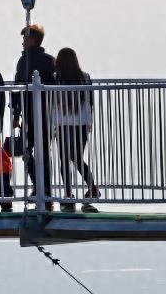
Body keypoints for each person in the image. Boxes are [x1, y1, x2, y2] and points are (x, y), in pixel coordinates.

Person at [53, 47, 100, 212]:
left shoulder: (56, 78)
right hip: (81, 122)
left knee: (65, 159)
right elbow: (90, 101)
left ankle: (68, 194)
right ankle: (92, 187)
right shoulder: (85, 77)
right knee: (76, 157)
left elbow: (52, 100)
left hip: (62, 122)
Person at [12, 23, 55, 206]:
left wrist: (16, 113)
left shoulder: (25, 61)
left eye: (24, 38)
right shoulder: (49, 60)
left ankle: (39, 186)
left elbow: (17, 87)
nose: (22, 42)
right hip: (46, 111)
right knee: (42, 151)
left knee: (27, 150)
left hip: (30, 111)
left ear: (32, 40)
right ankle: (44, 187)